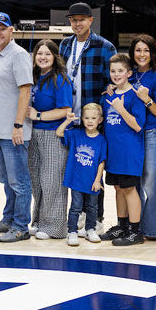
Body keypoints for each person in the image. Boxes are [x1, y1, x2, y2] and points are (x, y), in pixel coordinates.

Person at [59, 2, 116, 232]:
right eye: (73, 20)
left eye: (81, 19)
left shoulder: (105, 46)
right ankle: (80, 213)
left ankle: (96, 217)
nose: (77, 23)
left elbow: (113, 81)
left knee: (93, 168)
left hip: (91, 119)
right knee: (78, 166)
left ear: (91, 20)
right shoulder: (65, 44)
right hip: (71, 117)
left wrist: (101, 113)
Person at [0, 12, 33, 243]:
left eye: (2, 28)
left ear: (11, 30)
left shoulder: (19, 55)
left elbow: (25, 91)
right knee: (6, 180)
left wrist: (18, 125)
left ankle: (21, 226)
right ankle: (9, 219)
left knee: (19, 182)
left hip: (13, 131)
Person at [27, 39, 73, 240]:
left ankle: (55, 227)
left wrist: (38, 115)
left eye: (47, 54)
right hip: (33, 134)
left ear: (55, 57)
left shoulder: (60, 79)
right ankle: (38, 221)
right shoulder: (34, 76)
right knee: (37, 180)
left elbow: (66, 110)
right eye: (39, 53)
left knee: (52, 180)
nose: (43, 57)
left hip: (53, 134)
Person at [99, 54, 146, 246]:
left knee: (129, 189)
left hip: (129, 152)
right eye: (113, 71)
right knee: (118, 188)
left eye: (120, 71)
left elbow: (137, 126)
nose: (116, 74)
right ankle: (122, 226)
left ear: (129, 73)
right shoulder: (108, 95)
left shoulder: (134, 95)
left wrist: (121, 109)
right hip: (113, 152)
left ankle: (135, 231)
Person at [129, 34, 156, 240]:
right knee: (134, 183)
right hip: (132, 135)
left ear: (153, 53)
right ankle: (135, 227)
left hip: (153, 135)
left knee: (151, 185)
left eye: (146, 50)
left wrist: (147, 100)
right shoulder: (129, 75)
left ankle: (154, 230)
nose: (142, 54)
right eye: (138, 50)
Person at [56, 105, 106, 246]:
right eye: (86, 118)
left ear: (100, 120)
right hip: (76, 180)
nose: (90, 121)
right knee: (76, 207)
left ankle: (90, 229)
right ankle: (72, 231)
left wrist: (98, 180)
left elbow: (101, 161)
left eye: (93, 118)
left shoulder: (102, 140)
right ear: (82, 119)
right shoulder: (76, 134)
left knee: (92, 207)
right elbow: (59, 132)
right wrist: (67, 121)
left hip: (92, 181)